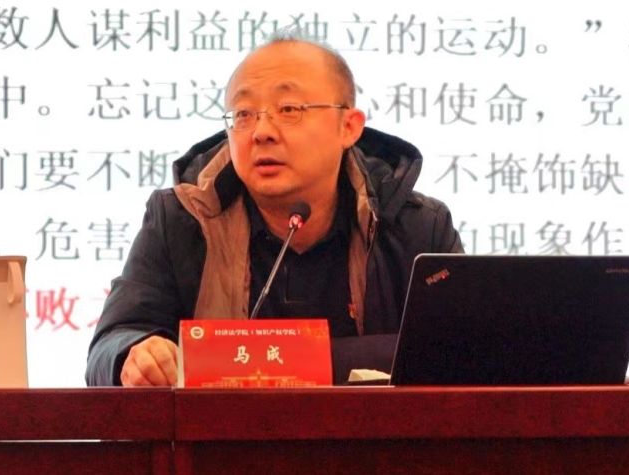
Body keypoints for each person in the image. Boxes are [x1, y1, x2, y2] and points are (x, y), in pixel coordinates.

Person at [86, 30, 463, 387]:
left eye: (288, 109)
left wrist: (300, 362)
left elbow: (460, 354)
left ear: (348, 126)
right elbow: (111, 344)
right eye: (243, 114)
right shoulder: (182, 219)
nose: (261, 132)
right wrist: (134, 355)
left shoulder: (418, 227)